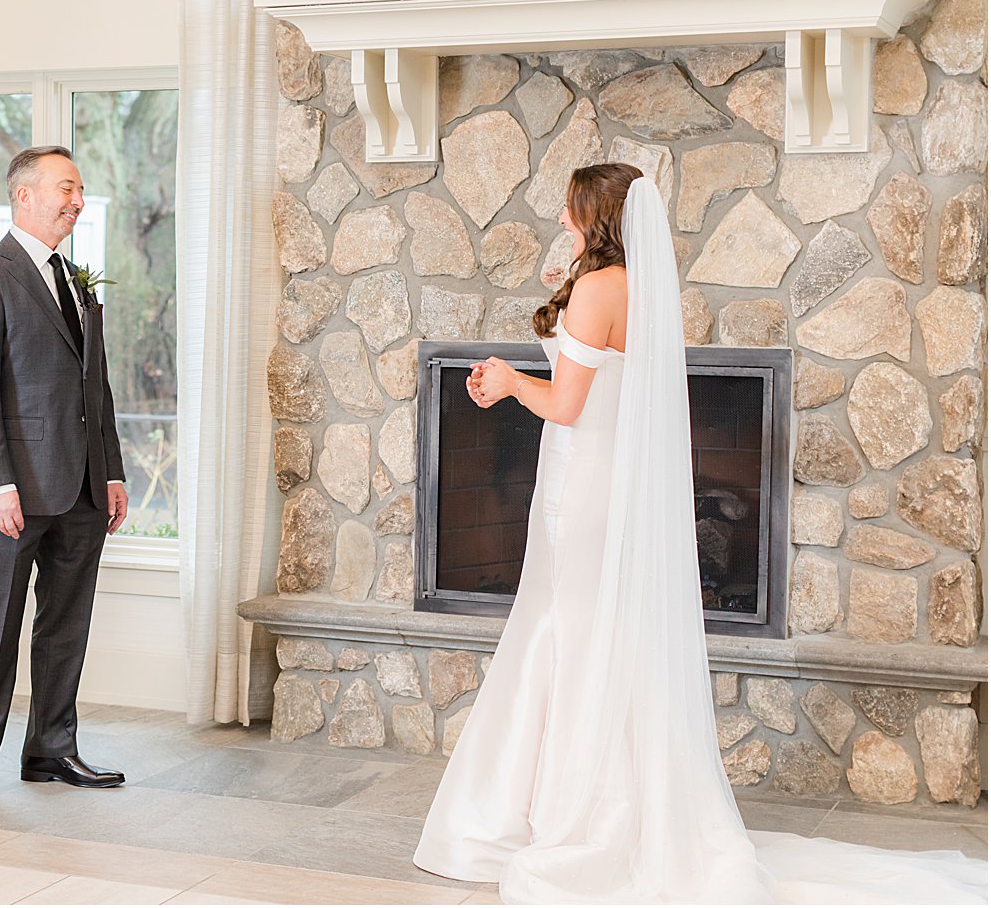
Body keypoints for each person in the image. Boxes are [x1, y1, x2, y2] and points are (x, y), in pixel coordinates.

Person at [413, 164, 986, 903]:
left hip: (578, 484)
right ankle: (598, 797)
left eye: (570, 205)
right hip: (605, 481)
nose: (560, 215)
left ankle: (562, 811)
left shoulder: (596, 288)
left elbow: (569, 403)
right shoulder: (643, 287)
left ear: (596, 214)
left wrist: (509, 381)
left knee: (564, 626)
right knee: (593, 631)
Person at [0, 145, 130, 809]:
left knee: (65, 626)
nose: (77, 200)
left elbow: (94, 387)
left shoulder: (77, 281)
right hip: (9, 492)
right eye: (67, 187)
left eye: (80, 189)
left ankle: (52, 748)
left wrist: (111, 472)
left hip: (81, 489)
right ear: (25, 195)